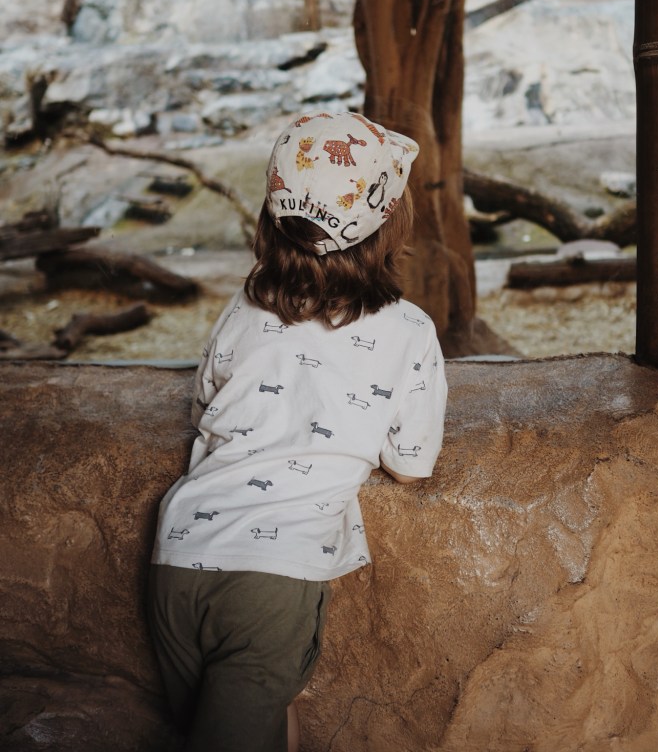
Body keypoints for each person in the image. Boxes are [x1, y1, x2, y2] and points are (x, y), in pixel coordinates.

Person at [148, 109, 448, 752]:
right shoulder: (410, 331)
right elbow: (412, 463)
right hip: (272, 580)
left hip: (177, 557)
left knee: (247, 723)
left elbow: (205, 409)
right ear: (389, 225)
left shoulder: (245, 304)